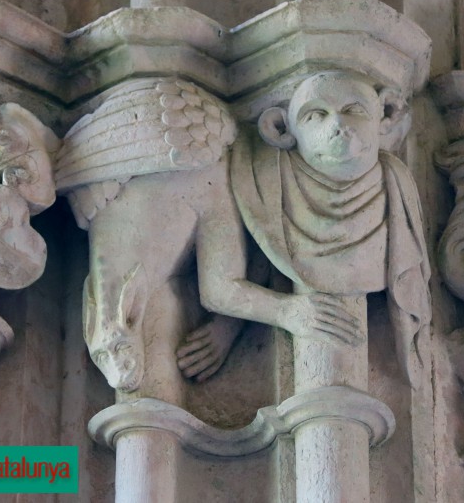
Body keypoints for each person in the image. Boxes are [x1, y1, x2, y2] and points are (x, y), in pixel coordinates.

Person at [179, 71, 431, 386]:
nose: (339, 124)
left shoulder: (396, 189)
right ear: (282, 129)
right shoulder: (252, 175)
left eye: (354, 110)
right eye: (316, 115)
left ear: (387, 116)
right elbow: (238, 270)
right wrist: (284, 311)